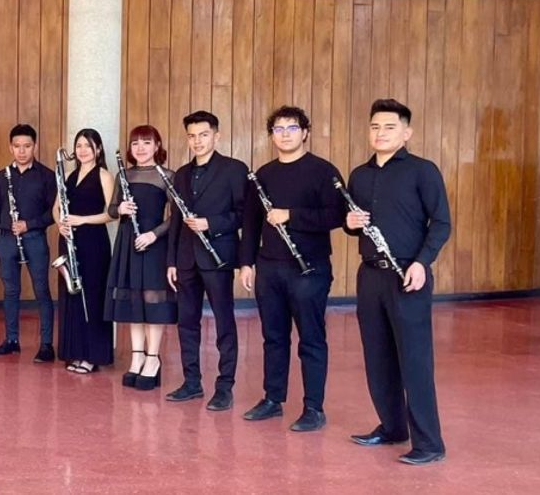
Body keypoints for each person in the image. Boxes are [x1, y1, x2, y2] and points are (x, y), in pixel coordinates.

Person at [344, 99, 451, 466]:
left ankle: (429, 443)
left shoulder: (423, 171)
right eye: (375, 126)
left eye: (389, 127)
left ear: (407, 132)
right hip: (370, 274)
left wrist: (422, 263)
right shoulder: (359, 175)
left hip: (408, 274)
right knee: (378, 356)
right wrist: (350, 223)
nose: (380, 133)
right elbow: (351, 222)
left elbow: (441, 223)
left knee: (415, 360)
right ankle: (392, 427)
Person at [239, 106, 344, 433]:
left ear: (305, 132)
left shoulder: (323, 171)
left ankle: (314, 407)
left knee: (311, 339)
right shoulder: (263, 174)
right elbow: (251, 222)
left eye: (291, 128)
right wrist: (246, 263)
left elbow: (336, 216)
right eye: (278, 129)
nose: (284, 134)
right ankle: (273, 398)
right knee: (273, 337)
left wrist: (291, 215)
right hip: (269, 267)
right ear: (271, 135)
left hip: (308, 269)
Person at [164, 110, 247, 411]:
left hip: (218, 258)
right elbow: (175, 219)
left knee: (224, 322)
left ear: (217, 135)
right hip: (186, 259)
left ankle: (225, 387)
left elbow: (242, 214)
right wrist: (171, 260)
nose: (197, 141)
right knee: (187, 322)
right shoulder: (182, 174)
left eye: (203, 135)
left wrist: (211, 223)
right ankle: (192, 382)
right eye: (192, 136)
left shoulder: (234, 169)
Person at [105, 125, 177, 391]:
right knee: (133, 299)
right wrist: (121, 208)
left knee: (152, 300)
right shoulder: (124, 174)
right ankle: (136, 356)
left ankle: (153, 358)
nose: (140, 148)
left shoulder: (166, 175)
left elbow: (176, 215)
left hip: (152, 243)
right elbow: (112, 210)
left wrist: (153, 235)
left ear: (157, 146)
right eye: (135, 143)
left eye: (146, 143)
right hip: (128, 242)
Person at [0, 124, 58, 363]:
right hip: (6, 239)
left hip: (35, 238)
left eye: (27, 146)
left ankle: (47, 345)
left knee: (41, 291)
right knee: (10, 291)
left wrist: (29, 224)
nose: (22, 151)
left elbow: (54, 213)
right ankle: (12, 340)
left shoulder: (47, 176)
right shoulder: (1, 176)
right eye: (17, 146)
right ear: (10, 147)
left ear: (34, 146)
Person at [54, 129, 115, 373]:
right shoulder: (67, 175)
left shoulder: (104, 175)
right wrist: (61, 223)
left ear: (98, 150)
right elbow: (56, 208)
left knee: (92, 297)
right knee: (72, 297)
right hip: (68, 240)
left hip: (93, 242)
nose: (82, 150)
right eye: (78, 145)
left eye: (87, 146)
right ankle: (75, 353)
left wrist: (81, 220)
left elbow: (112, 213)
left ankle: (92, 356)